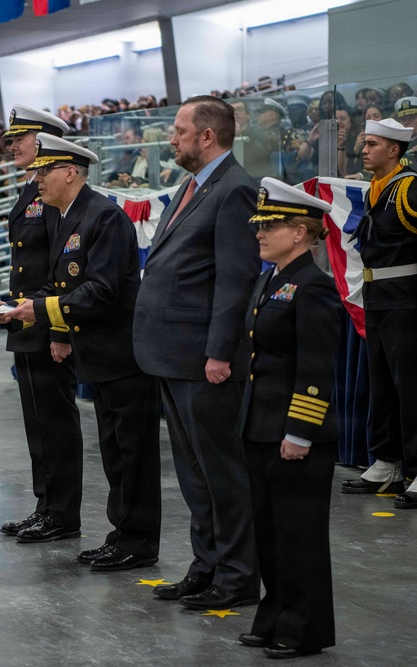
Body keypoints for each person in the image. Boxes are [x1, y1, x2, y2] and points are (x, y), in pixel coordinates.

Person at [5, 134, 162, 572]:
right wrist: (37, 314)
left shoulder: (104, 217)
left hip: (123, 354)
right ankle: (123, 534)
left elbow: (102, 290)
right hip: (99, 356)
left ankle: (138, 540)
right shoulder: (66, 217)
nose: (37, 180)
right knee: (115, 451)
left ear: (70, 172)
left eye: (44, 171)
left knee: (133, 453)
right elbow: (63, 284)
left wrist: (39, 310)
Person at [132, 95, 261, 608]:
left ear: (207, 136)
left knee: (220, 473)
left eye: (180, 130)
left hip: (204, 360)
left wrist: (219, 352)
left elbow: (236, 281)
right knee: (192, 471)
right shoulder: (192, 187)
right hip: (172, 355)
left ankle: (236, 576)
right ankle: (206, 564)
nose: (173, 138)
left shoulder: (234, 191)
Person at [236, 178, 342, 659]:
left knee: (299, 536)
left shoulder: (314, 286)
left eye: (270, 225)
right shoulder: (272, 278)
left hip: (295, 432)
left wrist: (300, 430)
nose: (260, 233)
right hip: (262, 426)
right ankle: (274, 613)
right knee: (270, 532)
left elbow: (316, 368)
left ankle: (304, 627)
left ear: (300, 231)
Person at [341, 118, 417, 509]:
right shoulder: (379, 188)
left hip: (403, 294)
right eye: (365, 143)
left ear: (394, 150)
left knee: (413, 386)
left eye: (372, 144)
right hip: (378, 294)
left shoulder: (410, 189)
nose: (364, 149)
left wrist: (416, 264)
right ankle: (387, 461)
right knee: (382, 383)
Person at [0, 105, 84, 543]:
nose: (13, 146)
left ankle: (62, 514)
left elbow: (64, 266)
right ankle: (45, 505)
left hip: (48, 324)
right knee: (37, 423)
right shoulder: (32, 189)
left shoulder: (53, 194)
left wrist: (61, 330)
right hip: (27, 321)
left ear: (45, 141)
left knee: (55, 423)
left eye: (20, 138)